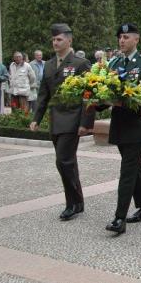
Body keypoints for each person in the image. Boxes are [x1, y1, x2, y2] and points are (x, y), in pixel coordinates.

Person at [30, 23, 95, 220]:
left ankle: (72, 204)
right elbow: (43, 95)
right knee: (68, 162)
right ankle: (78, 202)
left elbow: (89, 94)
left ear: (69, 40)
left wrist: (86, 122)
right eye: (53, 39)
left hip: (73, 119)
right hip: (55, 120)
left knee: (63, 161)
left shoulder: (80, 63)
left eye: (59, 39)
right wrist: (36, 118)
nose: (55, 42)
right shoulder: (49, 65)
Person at [104, 23, 141, 234]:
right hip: (120, 124)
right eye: (120, 37)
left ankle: (119, 218)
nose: (122, 40)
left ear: (136, 39)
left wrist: (119, 101)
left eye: (126, 37)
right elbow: (104, 89)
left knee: (127, 170)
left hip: (136, 125)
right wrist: (95, 98)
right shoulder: (114, 62)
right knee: (135, 167)